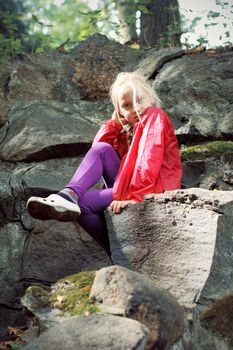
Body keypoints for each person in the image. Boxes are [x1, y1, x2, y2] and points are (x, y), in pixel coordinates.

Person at [27, 71, 182, 255]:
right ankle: (69, 194)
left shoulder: (155, 116)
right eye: (127, 105)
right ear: (119, 111)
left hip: (153, 188)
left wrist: (135, 196)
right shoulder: (129, 129)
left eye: (140, 99)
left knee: (83, 205)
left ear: (151, 98)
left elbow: (150, 159)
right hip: (133, 184)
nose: (136, 108)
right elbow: (97, 151)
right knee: (102, 150)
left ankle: (119, 251)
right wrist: (116, 124)